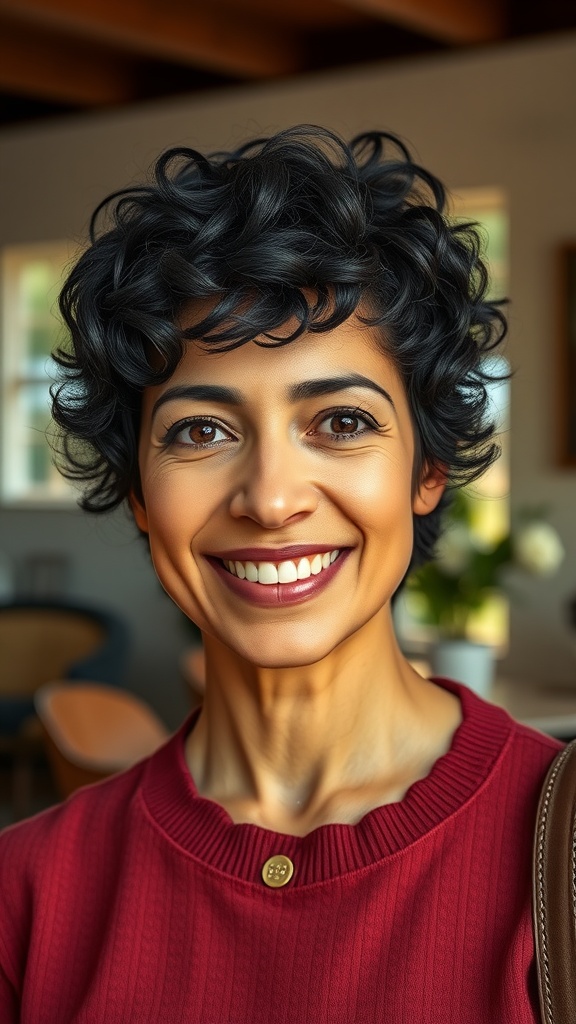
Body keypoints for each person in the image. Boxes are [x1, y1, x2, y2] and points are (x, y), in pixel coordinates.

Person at [0, 126, 560, 1023]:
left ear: (427, 472)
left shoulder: (559, 858)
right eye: (200, 431)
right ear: (140, 493)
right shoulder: (23, 898)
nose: (269, 499)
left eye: (340, 422)